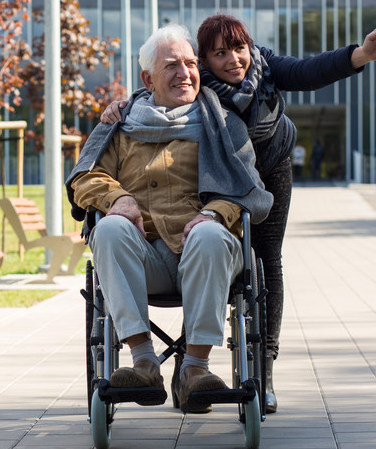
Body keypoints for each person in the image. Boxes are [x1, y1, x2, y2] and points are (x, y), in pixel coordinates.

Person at [99, 14, 376, 414]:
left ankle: (246, 370)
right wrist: (124, 108)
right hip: (191, 209)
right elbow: (152, 96)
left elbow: (310, 70)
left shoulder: (251, 82)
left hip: (266, 166)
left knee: (261, 257)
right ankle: (161, 366)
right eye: (219, 53)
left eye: (238, 48)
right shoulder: (187, 91)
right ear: (205, 62)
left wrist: (361, 55)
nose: (233, 59)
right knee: (160, 235)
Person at [65, 23, 273, 414]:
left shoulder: (224, 124)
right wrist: (119, 198)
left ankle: (195, 368)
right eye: (172, 65)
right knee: (108, 228)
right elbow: (85, 176)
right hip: (144, 258)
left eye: (191, 63)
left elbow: (250, 189)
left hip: (207, 254)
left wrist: (215, 212)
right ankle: (143, 362)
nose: (185, 73)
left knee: (210, 236)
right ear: (147, 78)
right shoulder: (121, 124)